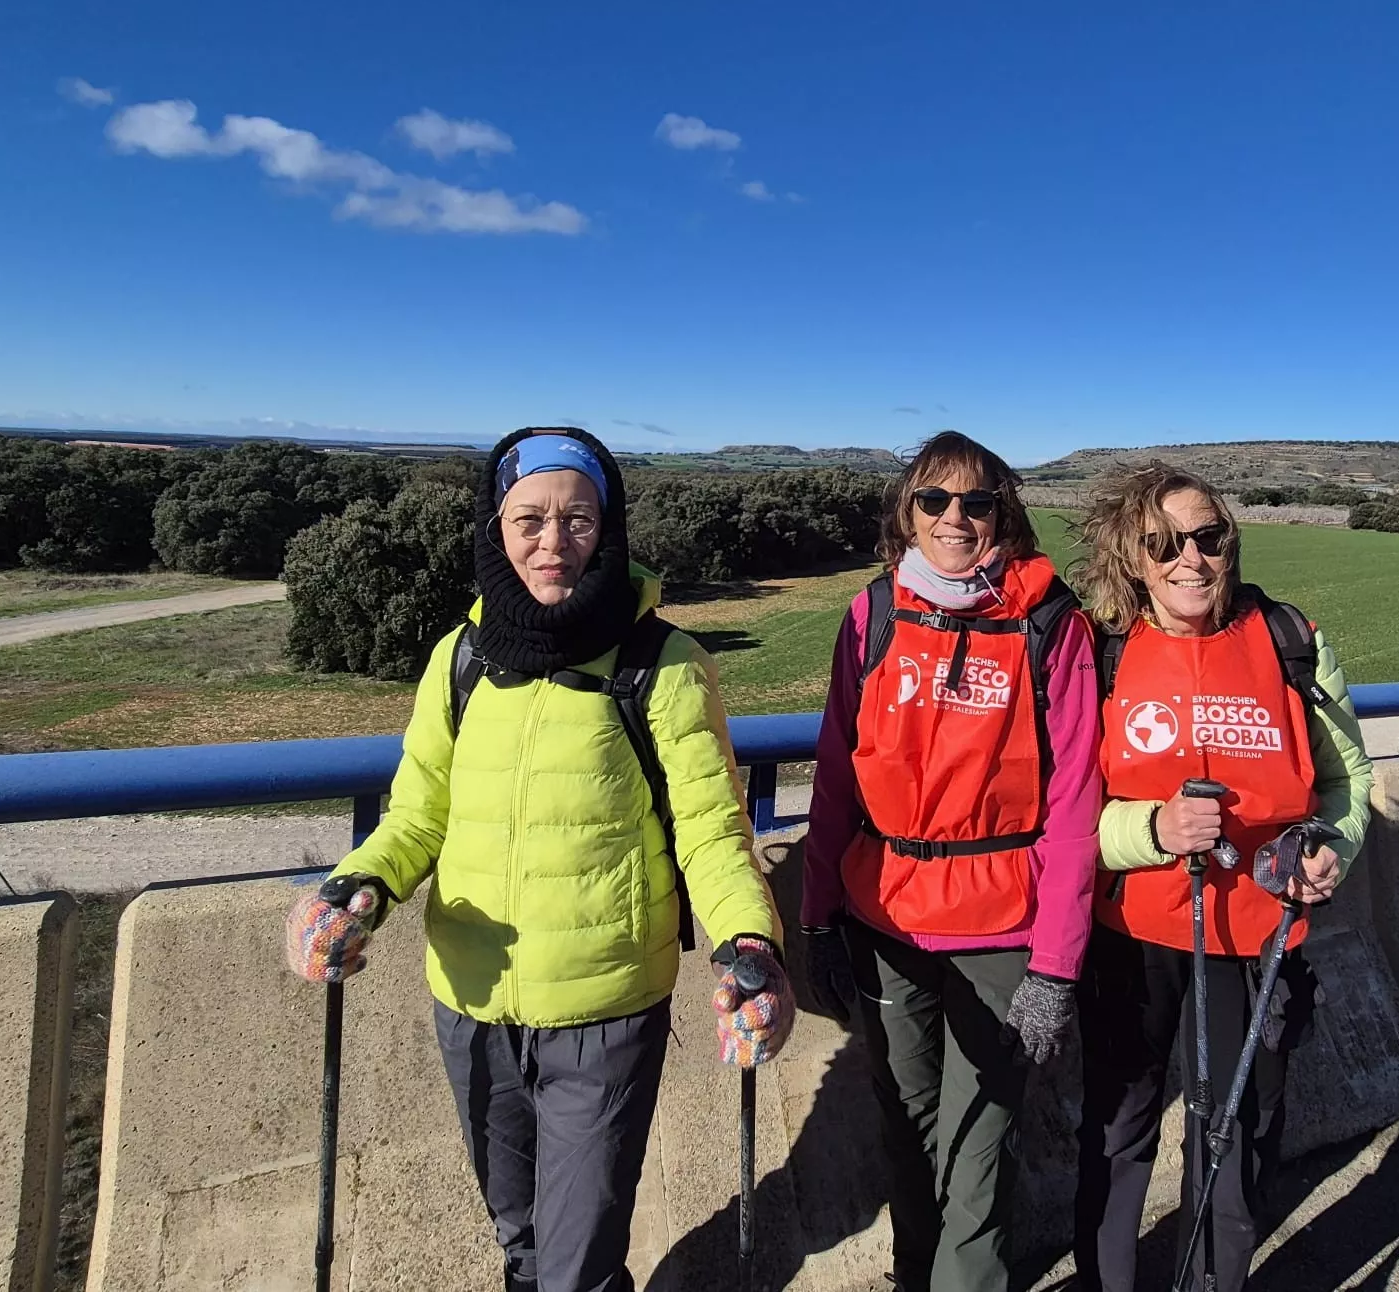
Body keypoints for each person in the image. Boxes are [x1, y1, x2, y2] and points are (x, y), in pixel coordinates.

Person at [282, 426, 795, 1292]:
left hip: (605, 1009)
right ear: (496, 528)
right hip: (470, 1005)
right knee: (519, 1242)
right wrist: (356, 884)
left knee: (577, 1266)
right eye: (529, 520)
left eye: (578, 519)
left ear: (611, 527)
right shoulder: (461, 658)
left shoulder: (663, 665)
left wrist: (752, 945)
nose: (553, 542)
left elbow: (712, 832)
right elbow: (417, 813)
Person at [800, 430, 1101, 1292]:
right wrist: (818, 917)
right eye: (935, 499)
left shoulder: (1049, 622)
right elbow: (834, 780)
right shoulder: (874, 614)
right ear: (908, 512)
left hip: (1003, 921)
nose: (955, 516)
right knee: (908, 1124)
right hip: (885, 914)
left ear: (1004, 511)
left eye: (977, 501)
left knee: (982, 1139)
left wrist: (1056, 965)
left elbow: (1077, 802)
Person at [1071, 463, 1373, 1292]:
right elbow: (1063, 814)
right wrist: (1153, 829)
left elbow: (1347, 781)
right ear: (1133, 557)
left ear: (1229, 542)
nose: (1189, 560)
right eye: (1163, 544)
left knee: (1233, 1137)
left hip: (1255, 933)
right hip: (1131, 932)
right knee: (1117, 1134)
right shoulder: (1099, 651)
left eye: (1207, 538)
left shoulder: (1289, 639)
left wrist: (1330, 852)